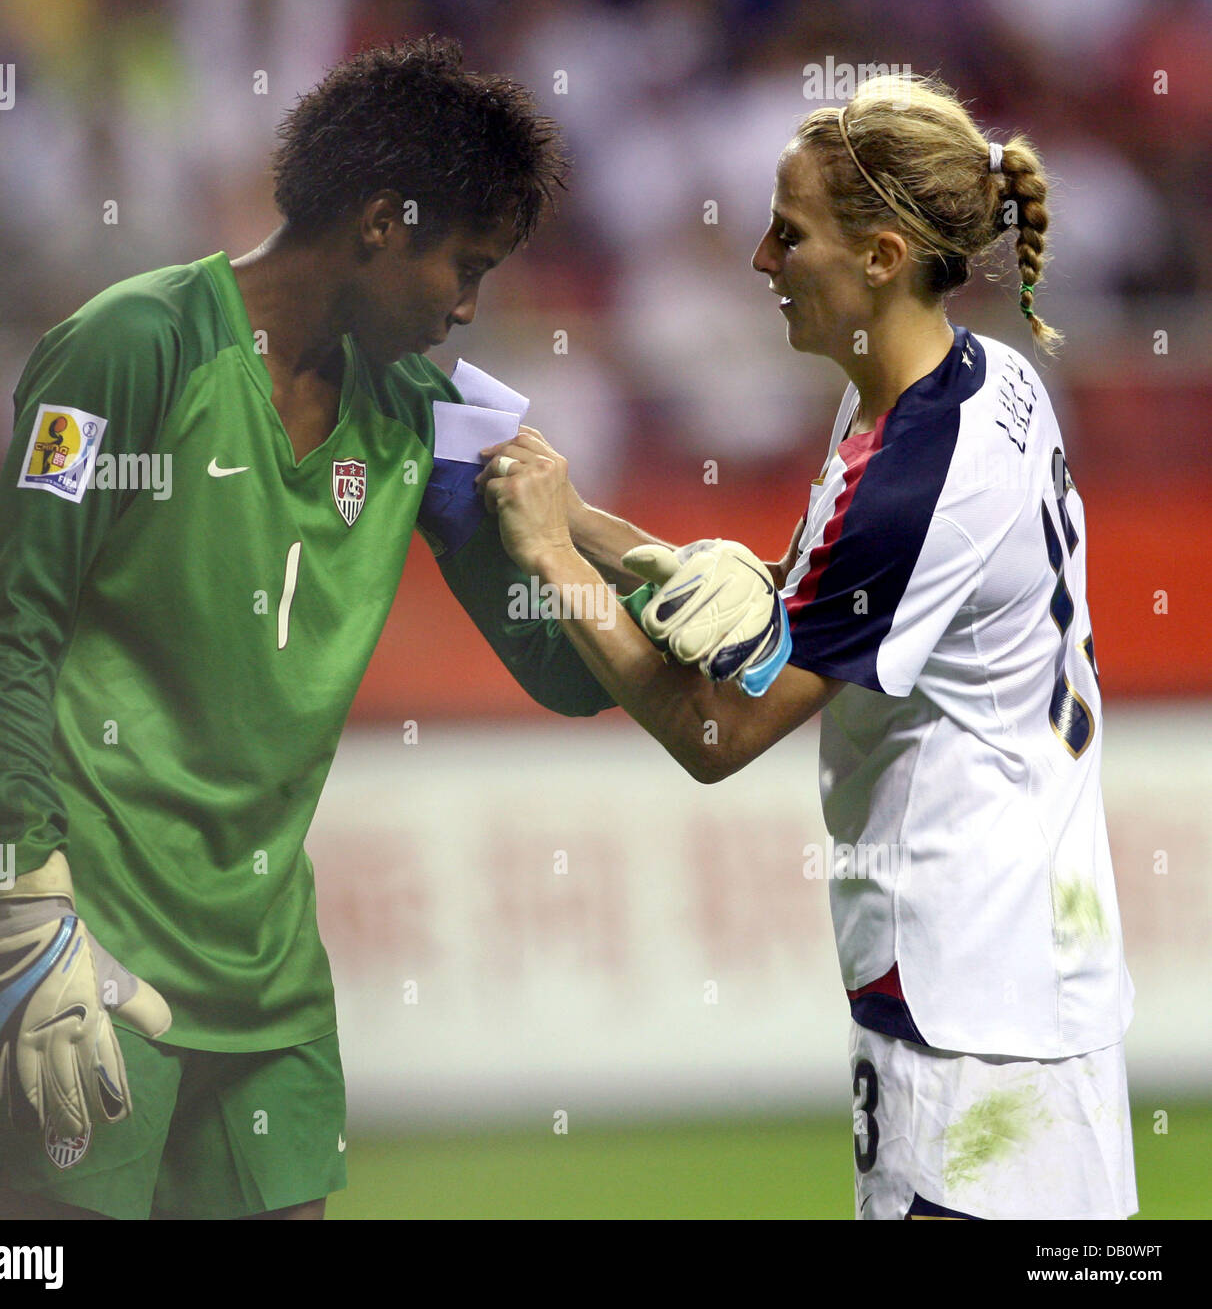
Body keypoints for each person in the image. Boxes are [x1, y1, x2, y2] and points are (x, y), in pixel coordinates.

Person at [0, 36, 746, 1223]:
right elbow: (6, 628)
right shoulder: (129, 347)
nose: (467, 308)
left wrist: (662, 593)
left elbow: (561, 672)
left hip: (263, 977)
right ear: (378, 223)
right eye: (464, 266)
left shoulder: (421, 414)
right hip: (74, 937)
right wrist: (28, 887)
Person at [481, 72, 1136, 1221]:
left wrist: (551, 561)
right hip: (1051, 986)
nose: (759, 261)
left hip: (960, 1015)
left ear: (879, 257)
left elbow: (718, 729)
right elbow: (794, 606)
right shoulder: (985, 386)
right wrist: (580, 513)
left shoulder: (906, 473)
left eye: (788, 234)